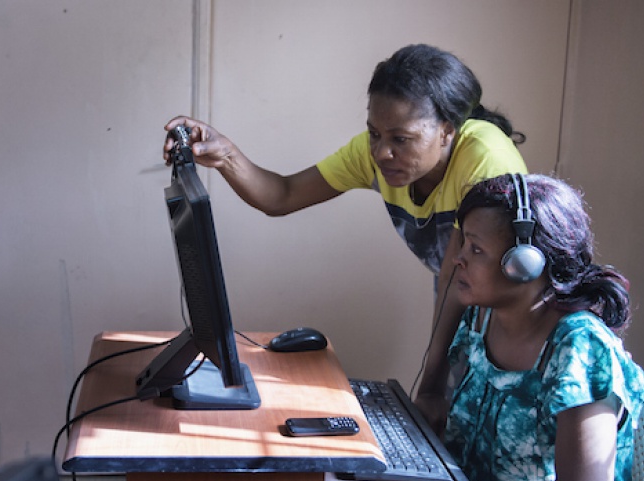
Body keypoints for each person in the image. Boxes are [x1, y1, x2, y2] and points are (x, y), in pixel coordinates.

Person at [320, 174, 644, 481]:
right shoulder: (486, 316)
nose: (458, 259)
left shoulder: (579, 346)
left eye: (475, 249)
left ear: (526, 262)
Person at [164, 44, 527, 427]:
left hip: (515, 313)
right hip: (465, 294)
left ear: (447, 131)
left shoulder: (483, 156)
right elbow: (281, 195)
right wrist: (225, 156)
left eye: (401, 139)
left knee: (483, 438)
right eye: (374, 134)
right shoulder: (374, 154)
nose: (382, 152)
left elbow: (457, 278)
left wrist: (432, 386)